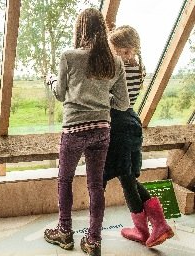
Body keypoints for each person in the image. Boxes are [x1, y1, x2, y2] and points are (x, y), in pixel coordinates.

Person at [43, 8, 129, 256]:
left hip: (73, 129)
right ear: (102, 29)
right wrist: (101, 101)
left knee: (65, 180)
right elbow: (123, 103)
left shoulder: (69, 56)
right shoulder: (115, 61)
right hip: (102, 129)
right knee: (95, 185)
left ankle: (65, 233)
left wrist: (50, 80)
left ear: (79, 29)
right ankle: (93, 241)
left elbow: (60, 93)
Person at [103, 25, 174, 248]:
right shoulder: (138, 66)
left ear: (125, 49)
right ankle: (149, 227)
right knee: (129, 178)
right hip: (133, 121)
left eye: (117, 50)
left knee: (126, 178)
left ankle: (152, 227)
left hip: (118, 124)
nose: (115, 55)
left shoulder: (117, 67)